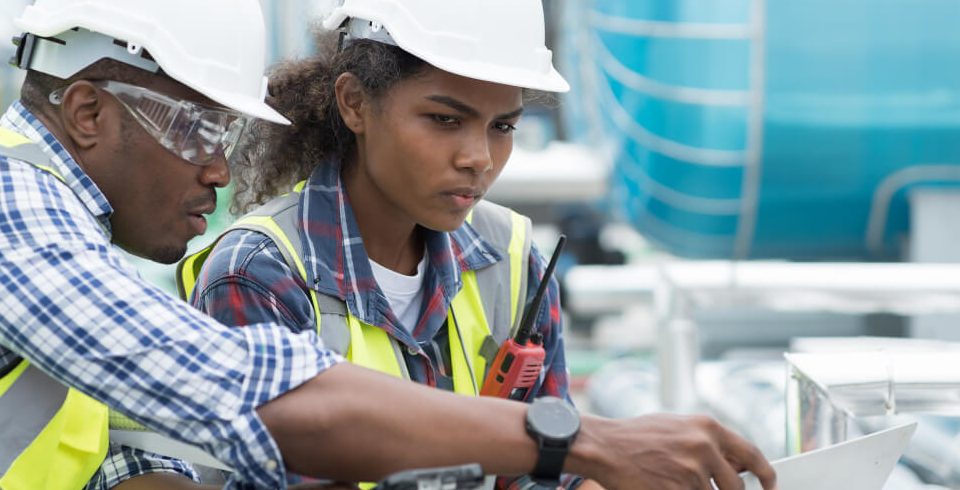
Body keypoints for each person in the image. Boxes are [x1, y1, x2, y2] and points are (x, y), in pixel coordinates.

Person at [0, 0, 777, 489]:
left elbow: (128, 436)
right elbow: (258, 397)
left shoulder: (508, 259)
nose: (215, 166)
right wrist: (573, 441)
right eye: (199, 127)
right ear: (88, 112)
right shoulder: (19, 221)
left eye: (502, 124)